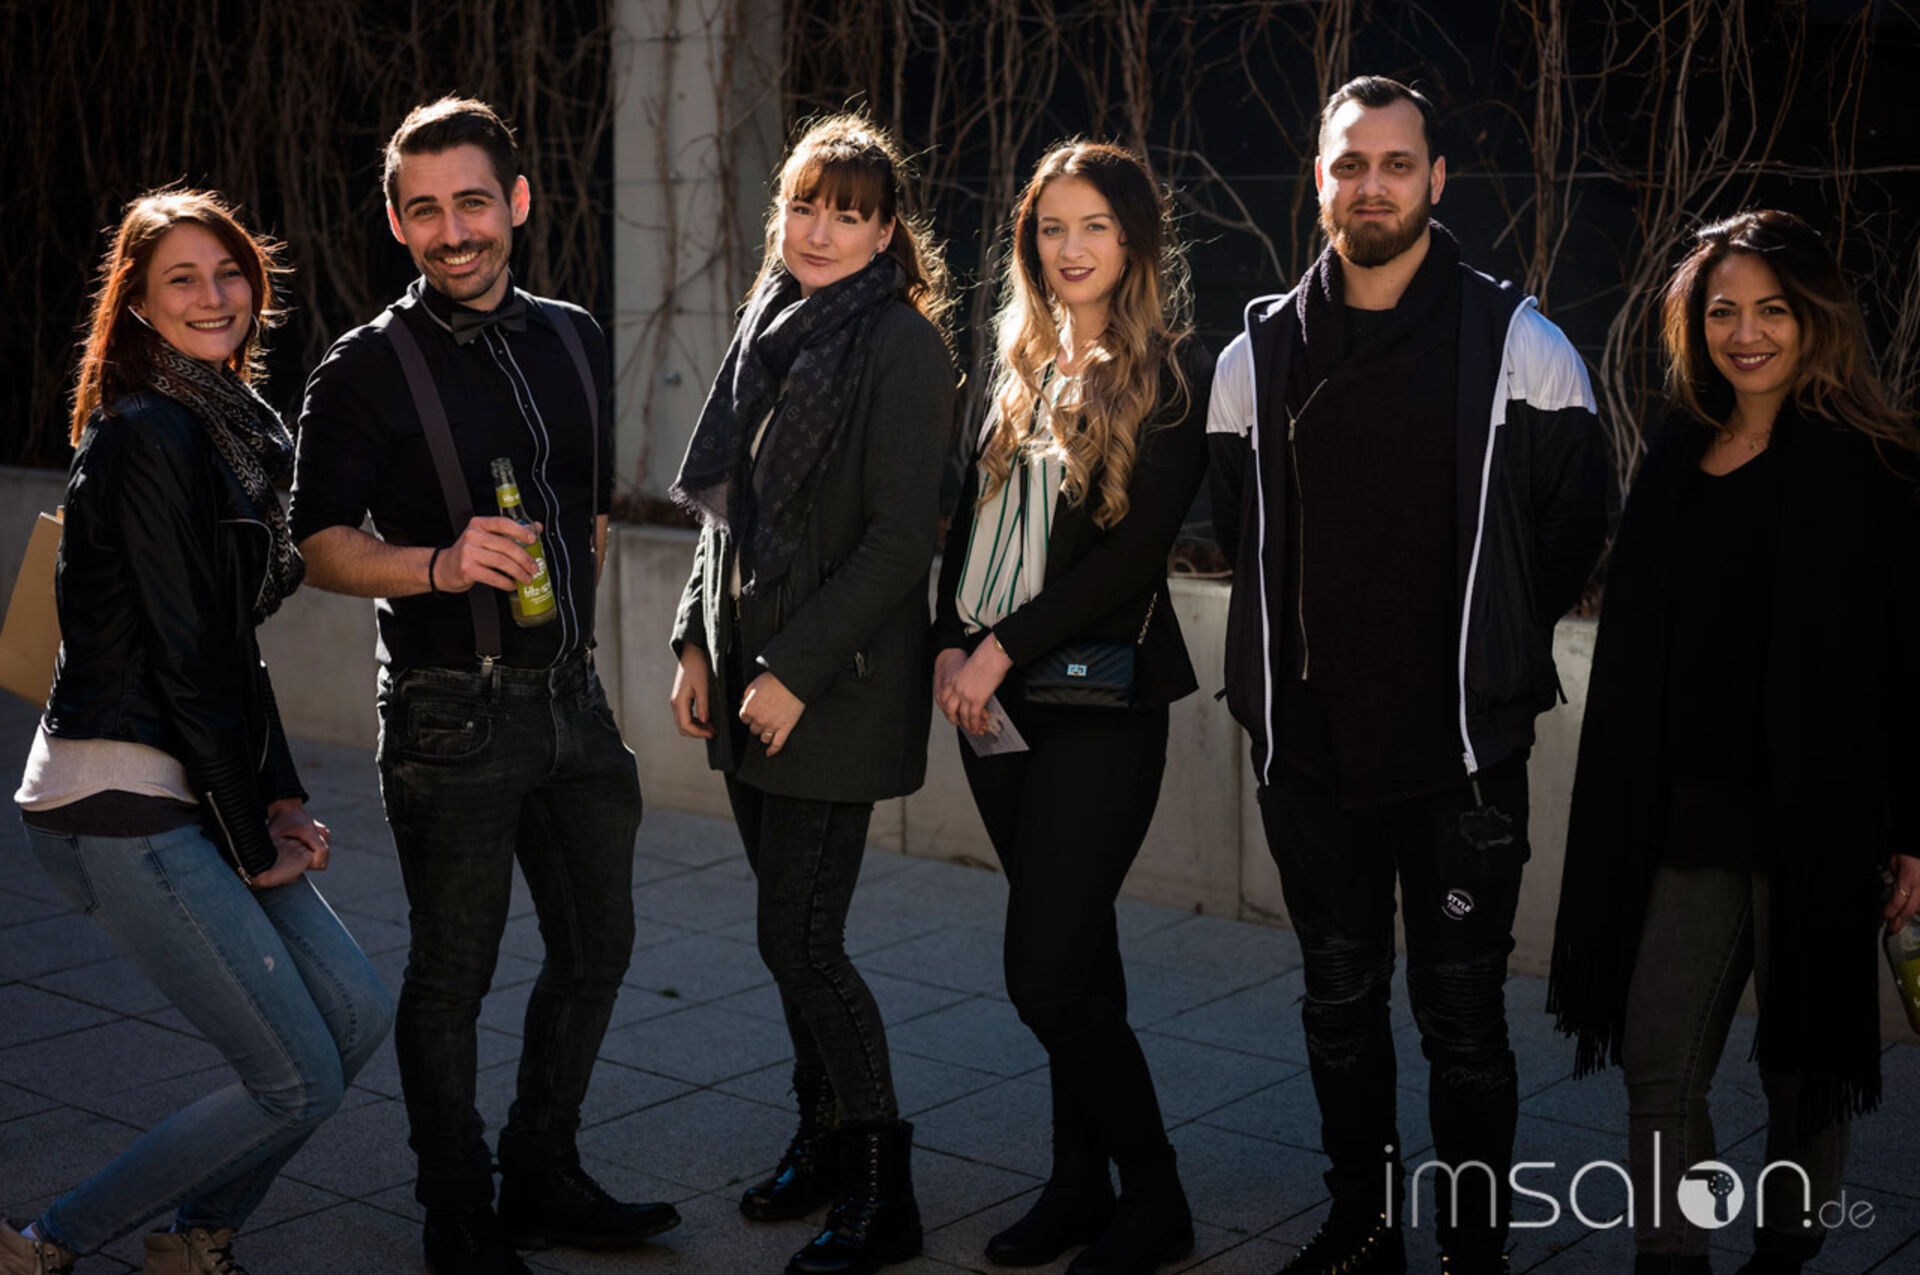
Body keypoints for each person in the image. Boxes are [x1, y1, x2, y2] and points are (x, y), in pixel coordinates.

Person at [1208, 76, 1607, 1274]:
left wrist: (1484, 657)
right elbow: (1239, 527)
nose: (1370, 185)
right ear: (1319, 182)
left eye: (1395, 163)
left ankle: (1475, 1253)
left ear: (1437, 179)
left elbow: (1572, 531)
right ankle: (1363, 1230)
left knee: (1464, 1022)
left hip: (1461, 760)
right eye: (1349, 164)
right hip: (1312, 755)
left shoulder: (1520, 343)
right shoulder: (1256, 354)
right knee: (1338, 1005)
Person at [289, 98, 675, 1275]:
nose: (452, 232)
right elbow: (318, 547)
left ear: (517, 201)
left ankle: (541, 1174)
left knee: (598, 948)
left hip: (573, 700)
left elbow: (586, 507)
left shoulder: (575, 337)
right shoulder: (362, 368)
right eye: (424, 210)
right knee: (452, 975)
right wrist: (441, 566)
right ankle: (457, 1213)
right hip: (449, 713)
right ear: (397, 223)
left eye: (471, 203)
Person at [2, 189, 392, 1275]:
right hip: (116, 794)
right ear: (138, 303)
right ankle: (44, 1243)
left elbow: (229, 646)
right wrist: (250, 831)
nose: (213, 296)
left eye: (228, 273)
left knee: (355, 1014)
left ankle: (195, 1237)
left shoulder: (229, 429)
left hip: (189, 778)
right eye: (182, 278)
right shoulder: (151, 434)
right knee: (294, 1076)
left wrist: (281, 795)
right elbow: (186, 658)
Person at [1547, 210, 1920, 1275]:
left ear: (1814, 317)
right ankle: (1673, 1255)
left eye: (1771, 310)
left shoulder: (1876, 467)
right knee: (1658, 1060)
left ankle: (1785, 1252)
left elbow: (1909, 665)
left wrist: (1913, 831)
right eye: (1722, 311)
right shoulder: (1675, 452)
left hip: (1821, 814)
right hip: (1690, 813)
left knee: (1802, 1066)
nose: (1746, 333)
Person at [666, 112, 956, 1275]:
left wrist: (790, 670)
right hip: (749, 682)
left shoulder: (904, 349)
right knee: (788, 938)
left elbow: (898, 543)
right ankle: (824, 1139)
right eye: (804, 206)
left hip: (833, 690)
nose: (820, 230)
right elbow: (728, 510)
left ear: (886, 232)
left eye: (848, 212)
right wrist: (695, 640)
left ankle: (885, 1192)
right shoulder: (769, 322)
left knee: (802, 940)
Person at [931, 141, 1209, 1275]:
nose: (1070, 247)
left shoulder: (1173, 373)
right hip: (991, 705)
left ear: (1133, 239)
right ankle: (1078, 1184)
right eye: (1051, 227)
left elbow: (1131, 561)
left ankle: (1158, 1198)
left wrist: (996, 649)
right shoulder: (1015, 361)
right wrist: (948, 646)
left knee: (1042, 971)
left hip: (1096, 706)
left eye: (1094, 224)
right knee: (1079, 953)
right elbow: (966, 527)